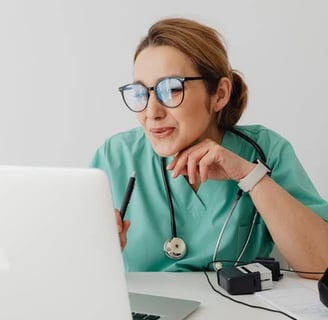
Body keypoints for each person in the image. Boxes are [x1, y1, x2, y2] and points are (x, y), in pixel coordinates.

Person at [90, 17, 328, 279]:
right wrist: (92, 252)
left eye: (170, 89)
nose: (151, 112)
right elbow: (68, 271)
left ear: (220, 94)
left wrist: (250, 177)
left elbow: (322, 264)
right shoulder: (116, 156)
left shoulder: (265, 151)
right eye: (140, 93)